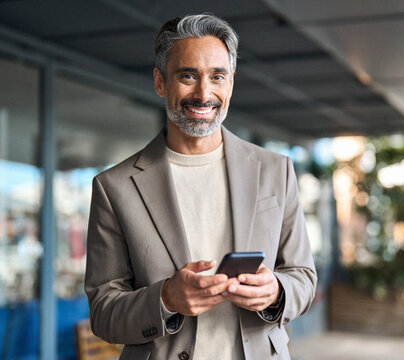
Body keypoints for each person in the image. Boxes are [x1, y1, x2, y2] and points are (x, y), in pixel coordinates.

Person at [84, 14, 317, 360]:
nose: (204, 94)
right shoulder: (114, 187)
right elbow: (104, 312)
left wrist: (276, 291)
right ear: (160, 82)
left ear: (231, 84)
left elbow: (304, 278)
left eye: (217, 76)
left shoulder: (275, 171)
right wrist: (166, 298)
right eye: (188, 76)